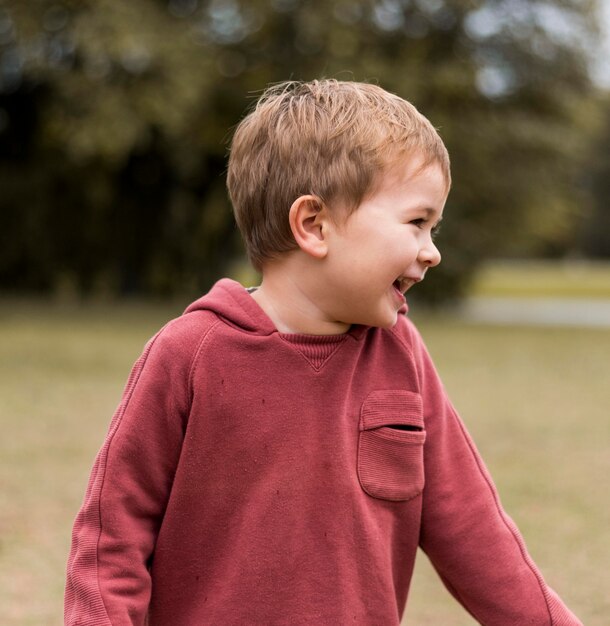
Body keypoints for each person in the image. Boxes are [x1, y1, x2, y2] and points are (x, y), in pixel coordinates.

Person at [65, 79, 582, 625]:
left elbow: (473, 528)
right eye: (417, 223)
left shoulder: (400, 354)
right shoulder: (190, 354)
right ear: (314, 225)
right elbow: (110, 538)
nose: (432, 252)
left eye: (434, 227)